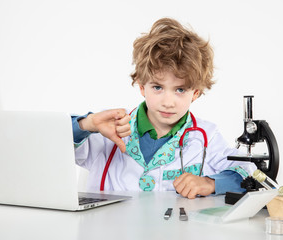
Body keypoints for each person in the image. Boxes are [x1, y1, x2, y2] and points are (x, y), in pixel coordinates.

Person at [72, 18, 256, 199]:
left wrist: (211, 183)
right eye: (158, 87)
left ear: (195, 93)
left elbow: (248, 173)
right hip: (109, 228)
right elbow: (52, 144)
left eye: (180, 89)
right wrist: (86, 124)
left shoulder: (206, 136)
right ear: (142, 86)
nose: (168, 102)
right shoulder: (110, 129)